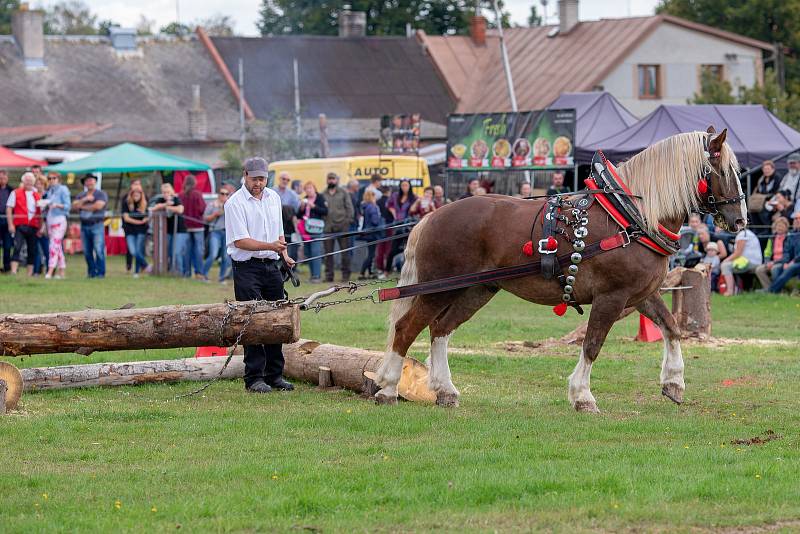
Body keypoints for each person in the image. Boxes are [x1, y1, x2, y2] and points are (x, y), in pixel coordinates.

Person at [225, 156, 295, 393]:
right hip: (247, 269)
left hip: (271, 266)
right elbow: (240, 241)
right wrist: (271, 247)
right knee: (252, 321)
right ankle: (254, 377)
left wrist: (284, 256)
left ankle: (275, 375)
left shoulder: (274, 197)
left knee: (275, 320)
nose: (258, 183)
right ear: (245, 175)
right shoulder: (234, 203)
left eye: (262, 179)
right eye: (254, 179)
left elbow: (279, 233)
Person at [72, 174, 108, 278]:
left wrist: (82, 206)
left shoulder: (101, 194)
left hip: (97, 225)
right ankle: (91, 272)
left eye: (91, 180)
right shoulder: (81, 195)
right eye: (87, 181)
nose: (90, 182)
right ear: (85, 183)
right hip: (84, 226)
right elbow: (74, 206)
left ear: (95, 182)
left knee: (98, 249)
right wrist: (85, 199)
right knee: (87, 251)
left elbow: (98, 206)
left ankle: (100, 273)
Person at [5, 172, 41, 276]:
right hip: (20, 225)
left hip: (33, 225)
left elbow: (40, 212)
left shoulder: (37, 195)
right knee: (17, 247)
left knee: (32, 250)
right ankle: (14, 271)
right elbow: (9, 208)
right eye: (27, 180)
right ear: (23, 181)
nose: (29, 182)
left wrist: (40, 227)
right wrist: (10, 224)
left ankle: (29, 273)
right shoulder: (15, 192)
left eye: (31, 180)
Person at [321, 172, 354, 283]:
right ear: (327, 180)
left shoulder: (343, 192)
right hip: (328, 228)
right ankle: (329, 276)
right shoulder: (323, 194)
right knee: (328, 254)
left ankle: (346, 275)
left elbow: (350, 208)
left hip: (342, 227)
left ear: (337, 180)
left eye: (333, 179)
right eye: (329, 179)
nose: (331, 181)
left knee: (345, 253)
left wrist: (347, 222)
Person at [150, 182, 185, 274]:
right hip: (166, 231)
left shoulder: (176, 199)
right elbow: (153, 209)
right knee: (168, 252)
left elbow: (180, 209)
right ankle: (169, 271)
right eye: (164, 192)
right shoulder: (160, 200)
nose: (166, 194)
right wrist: (165, 205)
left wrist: (169, 207)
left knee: (176, 252)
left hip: (179, 230)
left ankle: (180, 272)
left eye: (168, 192)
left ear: (171, 192)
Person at [297, 181, 328, 283]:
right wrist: (301, 208)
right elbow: (298, 215)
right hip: (306, 229)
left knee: (316, 252)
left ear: (314, 189)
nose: (308, 190)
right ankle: (312, 276)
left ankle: (317, 276)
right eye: (306, 189)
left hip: (317, 229)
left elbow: (325, 211)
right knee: (308, 252)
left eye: (310, 188)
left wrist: (313, 206)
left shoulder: (320, 198)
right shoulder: (304, 199)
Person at [203, 184, 233, 283]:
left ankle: (222, 278)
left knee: (225, 256)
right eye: (222, 193)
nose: (224, 195)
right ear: (218, 194)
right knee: (213, 254)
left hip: (226, 233)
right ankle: (204, 274)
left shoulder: (230, 205)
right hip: (215, 232)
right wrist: (215, 214)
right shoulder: (212, 205)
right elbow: (205, 218)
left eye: (226, 194)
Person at [43, 172, 71, 279]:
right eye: (49, 178)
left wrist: (57, 205)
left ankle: (50, 271)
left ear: (58, 179)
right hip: (50, 220)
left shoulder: (63, 189)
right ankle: (62, 271)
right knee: (57, 247)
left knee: (53, 246)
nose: (51, 180)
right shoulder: (50, 191)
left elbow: (68, 206)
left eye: (53, 178)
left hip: (59, 219)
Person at [719, 227, 762, 296]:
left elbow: (738, 253)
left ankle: (730, 291)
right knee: (727, 265)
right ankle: (736, 289)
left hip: (750, 263)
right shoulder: (747, 233)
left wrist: (725, 261)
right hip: (752, 262)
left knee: (725, 266)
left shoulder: (742, 235)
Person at [385, 179, 416, 275]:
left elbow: (416, 209)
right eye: (403, 185)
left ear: (409, 186)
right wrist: (393, 213)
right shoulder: (395, 196)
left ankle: (408, 271)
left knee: (409, 250)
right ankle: (387, 271)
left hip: (408, 226)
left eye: (406, 185)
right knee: (392, 250)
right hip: (397, 226)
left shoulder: (413, 198)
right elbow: (388, 204)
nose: (404, 187)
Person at [179, 175, 207, 280]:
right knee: (198, 251)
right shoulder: (197, 195)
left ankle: (186, 272)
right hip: (198, 226)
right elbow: (202, 209)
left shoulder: (181, 195)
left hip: (185, 227)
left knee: (187, 251)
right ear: (194, 183)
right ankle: (199, 273)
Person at [755, 217, 790, 290]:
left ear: (786, 227)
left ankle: (777, 289)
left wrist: (773, 263)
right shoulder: (772, 237)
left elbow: (787, 256)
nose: (779, 228)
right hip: (772, 262)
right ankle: (769, 288)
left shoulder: (789, 238)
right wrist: (767, 262)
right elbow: (767, 252)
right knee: (759, 269)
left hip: (783, 262)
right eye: (778, 226)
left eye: (782, 226)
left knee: (774, 269)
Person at [122, 188, 150, 277]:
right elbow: (126, 218)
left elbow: (148, 216)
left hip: (141, 231)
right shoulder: (127, 204)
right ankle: (146, 265)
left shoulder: (145, 204)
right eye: (134, 195)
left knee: (138, 251)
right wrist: (139, 222)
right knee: (133, 251)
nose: (136, 196)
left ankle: (136, 272)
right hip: (130, 231)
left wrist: (146, 219)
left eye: (138, 195)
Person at [768, 218, 800, 293]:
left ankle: (772, 290)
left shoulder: (792, 235)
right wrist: (788, 262)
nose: (796, 223)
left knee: (787, 269)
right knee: (779, 269)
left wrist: (792, 262)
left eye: (798, 221)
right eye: (795, 221)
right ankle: (775, 290)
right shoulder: (793, 234)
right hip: (792, 261)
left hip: (796, 262)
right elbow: (788, 251)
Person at [359, 189, 382, 279]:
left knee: (370, 254)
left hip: (367, 233)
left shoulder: (365, 206)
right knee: (371, 255)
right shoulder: (372, 207)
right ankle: (362, 272)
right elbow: (375, 221)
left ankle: (370, 273)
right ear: (372, 197)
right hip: (373, 233)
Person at [754, 160, 784, 230]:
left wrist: (768, 199)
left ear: (773, 169)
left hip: (773, 199)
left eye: (768, 169)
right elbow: (758, 190)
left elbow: (777, 191)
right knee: (752, 210)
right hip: (762, 200)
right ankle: (758, 229)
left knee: (764, 210)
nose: (766, 171)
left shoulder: (777, 178)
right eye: (764, 169)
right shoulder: (761, 179)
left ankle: (767, 229)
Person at [121, 179, 143, 273]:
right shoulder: (126, 198)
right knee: (130, 249)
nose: (137, 186)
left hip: (141, 229)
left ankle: (138, 270)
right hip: (129, 228)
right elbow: (125, 216)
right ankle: (129, 266)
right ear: (131, 186)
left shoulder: (144, 198)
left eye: (138, 184)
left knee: (138, 249)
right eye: (135, 184)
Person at [32, 174, 49, 275]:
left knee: (47, 250)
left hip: (46, 227)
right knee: (36, 250)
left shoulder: (48, 196)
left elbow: (47, 214)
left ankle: (49, 271)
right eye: (37, 183)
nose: (39, 185)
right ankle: (36, 271)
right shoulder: (33, 195)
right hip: (35, 225)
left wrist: (43, 228)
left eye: (41, 183)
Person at [375, 185, 394, 279]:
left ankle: (380, 268)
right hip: (389, 226)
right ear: (388, 191)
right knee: (388, 248)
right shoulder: (390, 202)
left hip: (380, 227)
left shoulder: (377, 202)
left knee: (380, 249)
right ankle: (387, 268)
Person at [0, 169, 13, 272]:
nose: (2, 180)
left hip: (7, 220)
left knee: (7, 246)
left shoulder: (11, 190)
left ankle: (7, 267)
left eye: (4, 177)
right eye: (0, 178)